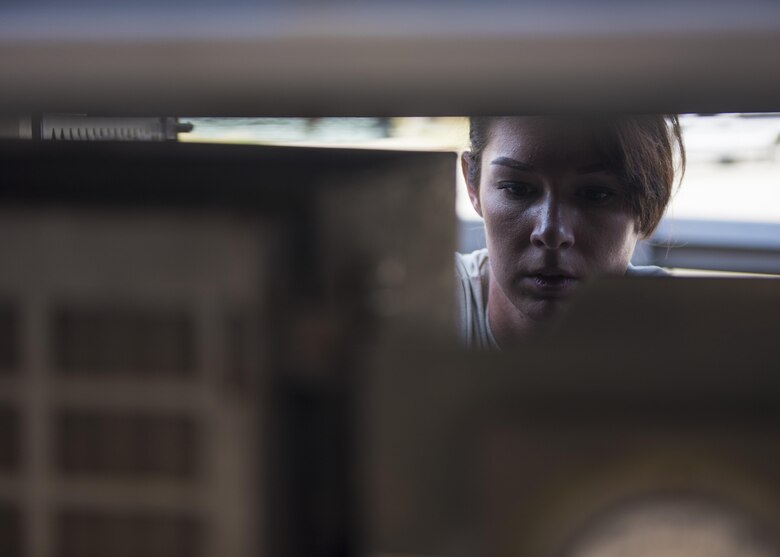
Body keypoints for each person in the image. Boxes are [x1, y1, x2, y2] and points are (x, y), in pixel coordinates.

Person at [456, 115, 685, 349]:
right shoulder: (431, 302)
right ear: (472, 185)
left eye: (595, 194)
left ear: (649, 200)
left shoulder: (680, 329)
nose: (551, 233)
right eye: (517, 189)